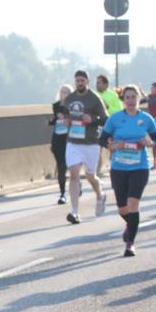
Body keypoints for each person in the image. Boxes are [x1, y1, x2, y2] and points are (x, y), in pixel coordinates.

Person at [99, 85, 156, 256]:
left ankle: (130, 244)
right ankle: (130, 225)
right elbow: (102, 139)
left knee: (133, 204)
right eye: (127, 97)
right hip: (119, 167)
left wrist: (149, 143)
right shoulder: (115, 118)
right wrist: (112, 145)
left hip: (139, 167)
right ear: (123, 100)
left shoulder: (146, 119)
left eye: (134, 97)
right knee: (122, 208)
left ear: (139, 99)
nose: (131, 100)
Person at [60, 70, 109, 224]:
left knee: (90, 176)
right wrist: (66, 121)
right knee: (74, 175)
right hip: (73, 142)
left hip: (90, 143)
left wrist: (93, 119)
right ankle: (74, 212)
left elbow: (105, 119)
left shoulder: (95, 98)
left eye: (82, 80)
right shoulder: (70, 98)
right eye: (77, 81)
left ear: (87, 81)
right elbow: (65, 114)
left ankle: (100, 195)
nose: (80, 83)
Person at [95, 75, 122, 177]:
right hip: (98, 125)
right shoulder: (94, 95)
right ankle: (97, 172)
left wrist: (107, 107)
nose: (97, 85)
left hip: (112, 126)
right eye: (96, 83)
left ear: (105, 84)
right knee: (98, 149)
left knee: (112, 149)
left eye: (99, 83)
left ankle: (114, 168)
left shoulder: (113, 95)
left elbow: (119, 111)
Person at [49, 85, 72, 204]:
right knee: (61, 167)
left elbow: (75, 119)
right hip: (58, 138)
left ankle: (75, 183)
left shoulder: (73, 106)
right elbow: (55, 119)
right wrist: (51, 121)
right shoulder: (56, 106)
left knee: (70, 165)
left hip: (69, 139)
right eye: (62, 92)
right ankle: (62, 193)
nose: (64, 94)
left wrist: (67, 117)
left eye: (67, 92)